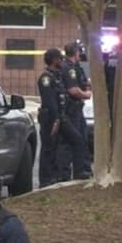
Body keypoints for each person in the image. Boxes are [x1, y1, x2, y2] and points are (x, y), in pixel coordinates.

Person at [59, 43, 93, 180]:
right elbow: (73, 90)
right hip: (71, 111)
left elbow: (83, 82)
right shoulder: (68, 68)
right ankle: (70, 173)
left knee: (82, 139)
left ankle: (83, 169)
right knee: (72, 141)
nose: (81, 54)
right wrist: (87, 94)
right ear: (75, 52)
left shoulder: (76, 68)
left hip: (78, 110)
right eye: (79, 52)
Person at [36, 48, 65, 187]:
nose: (62, 61)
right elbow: (50, 101)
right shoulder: (46, 78)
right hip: (49, 118)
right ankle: (45, 180)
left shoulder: (56, 76)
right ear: (54, 60)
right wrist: (56, 119)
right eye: (60, 58)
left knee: (54, 148)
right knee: (48, 148)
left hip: (56, 116)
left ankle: (54, 176)